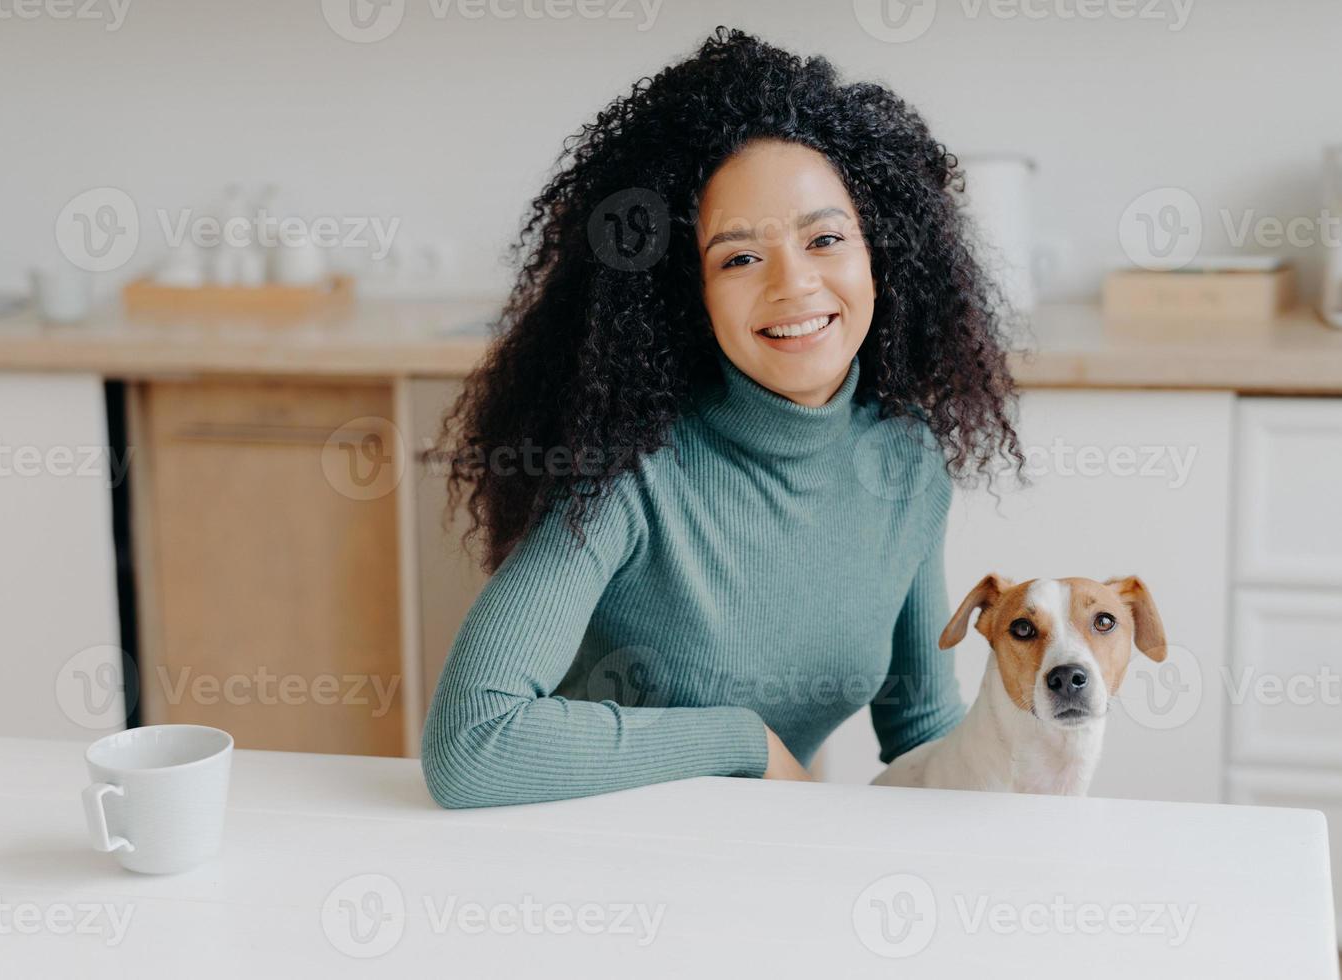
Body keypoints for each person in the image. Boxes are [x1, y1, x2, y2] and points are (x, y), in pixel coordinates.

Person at [421, 26, 1024, 808]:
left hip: (754, 863)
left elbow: (922, 731)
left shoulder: (905, 461)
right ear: (686, 295)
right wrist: (740, 741)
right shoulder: (630, 473)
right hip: (590, 868)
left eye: (827, 238)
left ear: (882, 254)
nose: (794, 284)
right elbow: (471, 745)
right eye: (739, 257)